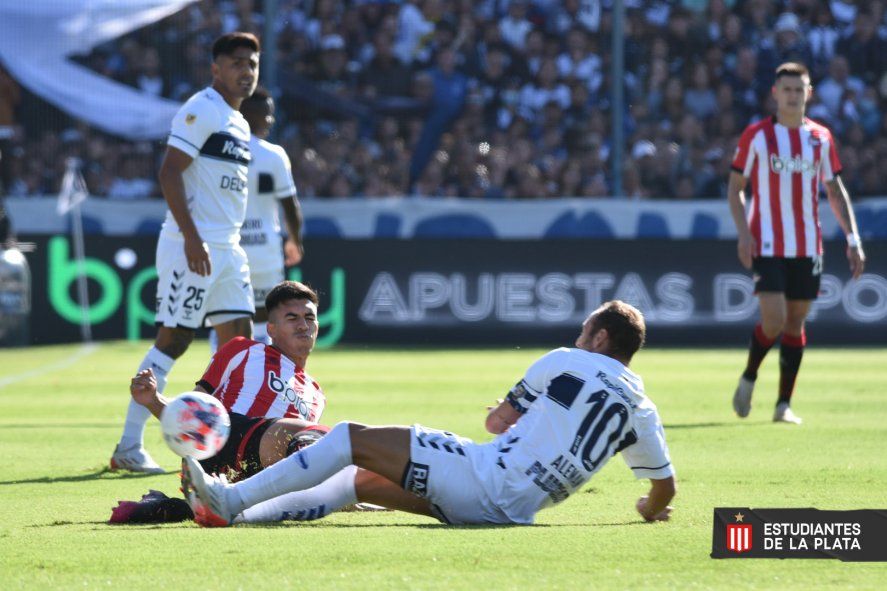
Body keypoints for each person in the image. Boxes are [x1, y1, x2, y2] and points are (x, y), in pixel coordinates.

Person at [183, 300, 677, 527]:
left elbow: (496, 423)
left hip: (481, 477)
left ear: (600, 338)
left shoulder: (568, 360)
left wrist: (506, 415)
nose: (578, 338)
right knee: (357, 481)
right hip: (513, 513)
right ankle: (234, 515)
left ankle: (230, 497)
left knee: (350, 438)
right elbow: (664, 489)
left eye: (584, 331)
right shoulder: (642, 407)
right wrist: (649, 510)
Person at [114, 280, 428, 524]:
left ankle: (425, 498)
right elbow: (193, 413)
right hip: (226, 443)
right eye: (292, 318)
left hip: (267, 474)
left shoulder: (316, 394)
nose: (303, 325)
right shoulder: (242, 350)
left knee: (327, 449)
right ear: (272, 329)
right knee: (333, 439)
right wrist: (154, 401)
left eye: (309, 317)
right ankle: (346, 491)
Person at [110, 33, 261, 473]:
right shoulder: (201, 109)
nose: (246, 71)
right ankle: (128, 446)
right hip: (191, 245)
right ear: (216, 69)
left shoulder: (239, 122)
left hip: (229, 248)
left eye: (252, 64)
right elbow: (169, 172)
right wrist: (193, 238)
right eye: (237, 63)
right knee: (174, 340)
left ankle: (226, 447)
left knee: (240, 348)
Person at [728, 62, 866, 425]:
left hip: (807, 244)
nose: (792, 95)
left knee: (795, 323)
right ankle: (750, 376)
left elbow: (835, 190)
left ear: (809, 93)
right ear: (775, 94)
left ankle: (783, 404)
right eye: (786, 89)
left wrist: (852, 238)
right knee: (774, 320)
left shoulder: (820, 138)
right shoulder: (757, 136)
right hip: (767, 242)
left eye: (798, 89)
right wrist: (743, 232)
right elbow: (735, 188)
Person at [210, 86, 304, 350]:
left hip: (228, 249)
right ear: (249, 114)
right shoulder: (273, 155)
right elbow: (290, 205)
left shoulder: (218, 151)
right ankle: (260, 366)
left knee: (228, 314)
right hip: (265, 250)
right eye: (267, 114)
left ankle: (222, 365)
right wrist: (294, 240)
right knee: (266, 313)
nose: (270, 120)